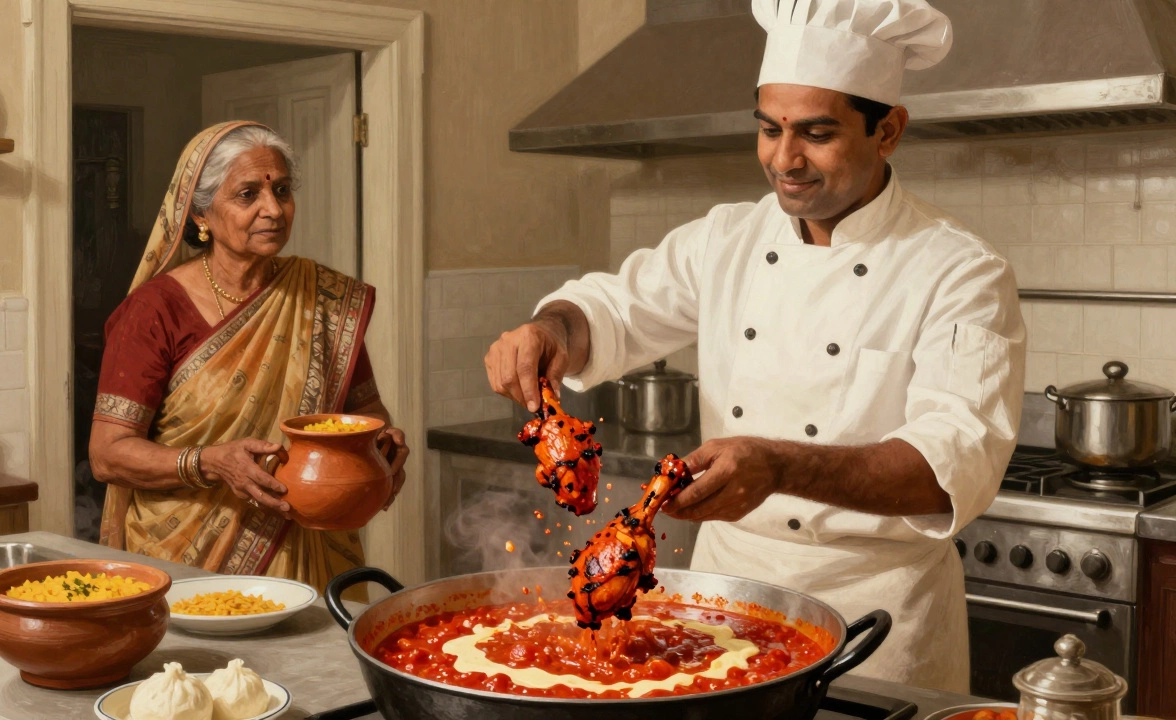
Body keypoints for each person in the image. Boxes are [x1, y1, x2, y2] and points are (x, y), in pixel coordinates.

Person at [485, 0, 1023, 692]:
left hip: (876, 621)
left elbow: (952, 465)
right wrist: (551, 330)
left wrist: (777, 465)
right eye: (769, 130)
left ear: (888, 130)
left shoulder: (959, 270)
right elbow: (610, 309)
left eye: (816, 133)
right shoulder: (727, 239)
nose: (784, 158)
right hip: (720, 603)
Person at [90, 121, 409, 592]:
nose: (273, 209)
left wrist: (380, 445)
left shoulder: (320, 299)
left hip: (309, 551)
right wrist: (210, 463)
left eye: (282, 190)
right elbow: (107, 455)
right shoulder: (154, 310)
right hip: (189, 562)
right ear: (202, 215)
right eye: (247, 195)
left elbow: (365, 411)